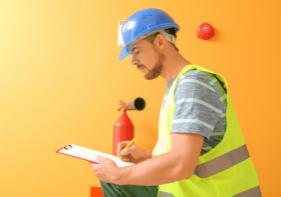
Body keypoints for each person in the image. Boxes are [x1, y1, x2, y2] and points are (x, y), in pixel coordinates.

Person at [89, 8, 261, 197]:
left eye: (136, 51)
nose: (133, 61)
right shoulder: (178, 86)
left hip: (214, 192)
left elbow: (181, 164)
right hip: (191, 189)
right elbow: (189, 151)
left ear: (160, 41)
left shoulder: (193, 84)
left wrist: (118, 174)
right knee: (112, 183)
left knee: (114, 180)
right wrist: (147, 155)